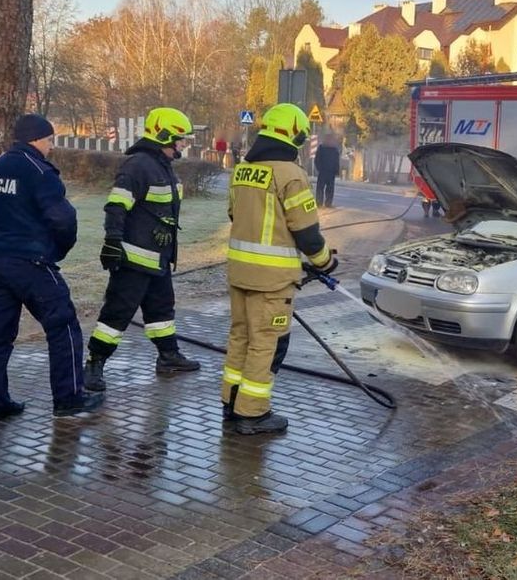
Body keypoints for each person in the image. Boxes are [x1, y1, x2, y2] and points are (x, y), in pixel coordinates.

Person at [0, 114, 105, 422]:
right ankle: (69, 398)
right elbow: (63, 219)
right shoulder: (39, 171)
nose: (52, 146)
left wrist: (4, 232)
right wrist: (58, 247)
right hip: (32, 263)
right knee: (64, 325)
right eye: (50, 140)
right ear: (36, 139)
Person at [224, 103, 337, 435]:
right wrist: (326, 262)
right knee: (267, 343)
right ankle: (253, 413)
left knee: (240, 338)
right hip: (271, 281)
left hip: (239, 272)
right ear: (294, 134)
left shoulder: (243, 170)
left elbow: (236, 216)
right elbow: (307, 233)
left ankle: (231, 404)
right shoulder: (291, 174)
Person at [83, 107, 201, 392]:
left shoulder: (162, 165)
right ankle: (94, 364)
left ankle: (168, 356)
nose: (184, 144)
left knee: (161, 310)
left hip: (158, 258)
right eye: (180, 138)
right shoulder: (137, 165)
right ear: (163, 136)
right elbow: (117, 205)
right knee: (117, 313)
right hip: (134, 259)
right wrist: (112, 241)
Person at [313, 132, 341, 208]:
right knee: (323, 188)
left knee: (327, 189)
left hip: (328, 172)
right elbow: (317, 160)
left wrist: (336, 171)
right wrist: (319, 168)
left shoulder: (333, 149)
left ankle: (326, 203)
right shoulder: (322, 148)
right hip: (325, 172)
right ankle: (320, 203)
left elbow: (336, 161)